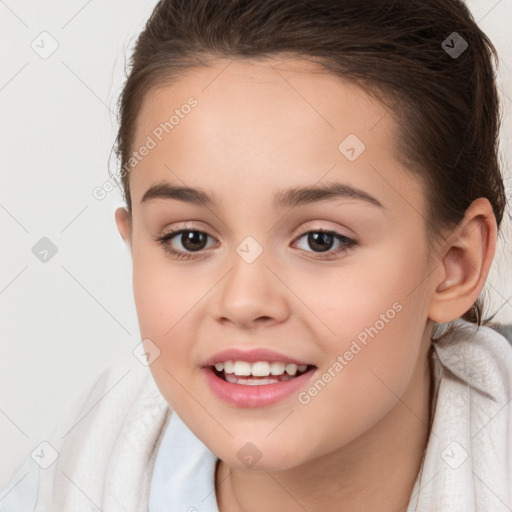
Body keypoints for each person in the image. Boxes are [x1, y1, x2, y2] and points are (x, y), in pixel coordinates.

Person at [1, 0, 511, 510]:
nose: (244, 302)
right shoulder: (68, 476)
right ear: (133, 243)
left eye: (321, 240)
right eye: (190, 239)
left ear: (454, 265)